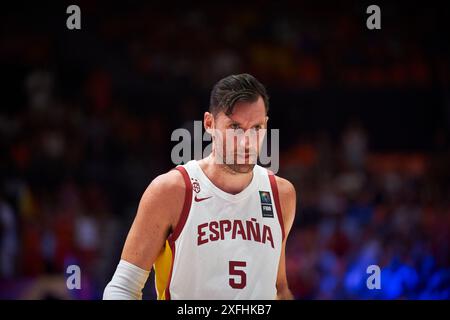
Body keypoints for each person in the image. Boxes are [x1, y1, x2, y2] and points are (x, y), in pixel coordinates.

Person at [103, 74, 296, 300]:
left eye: (256, 128)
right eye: (235, 127)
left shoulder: (281, 194)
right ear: (209, 124)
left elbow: (279, 289)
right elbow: (122, 288)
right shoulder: (171, 190)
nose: (246, 142)